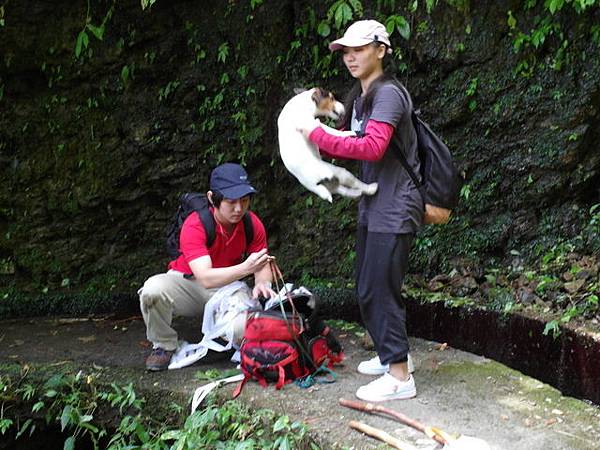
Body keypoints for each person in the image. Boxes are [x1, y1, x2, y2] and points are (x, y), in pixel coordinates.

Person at [299, 20, 424, 402]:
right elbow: (345, 134)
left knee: (380, 286)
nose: (350, 57)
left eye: (359, 49)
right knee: (369, 284)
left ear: (381, 50)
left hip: (395, 203)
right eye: (345, 51)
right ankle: (393, 358)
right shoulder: (362, 92)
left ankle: (400, 377)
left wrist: (315, 136)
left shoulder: (387, 95)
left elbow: (371, 147)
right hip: (374, 202)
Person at [138, 162, 276, 371]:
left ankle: (224, 340)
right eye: (231, 202)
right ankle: (164, 345)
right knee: (152, 290)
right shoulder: (195, 224)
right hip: (190, 284)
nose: (239, 208)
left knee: (244, 330)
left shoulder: (251, 223)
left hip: (228, 289)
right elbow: (205, 277)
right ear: (213, 198)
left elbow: (262, 263)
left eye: (245, 200)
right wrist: (246, 268)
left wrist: (262, 283)